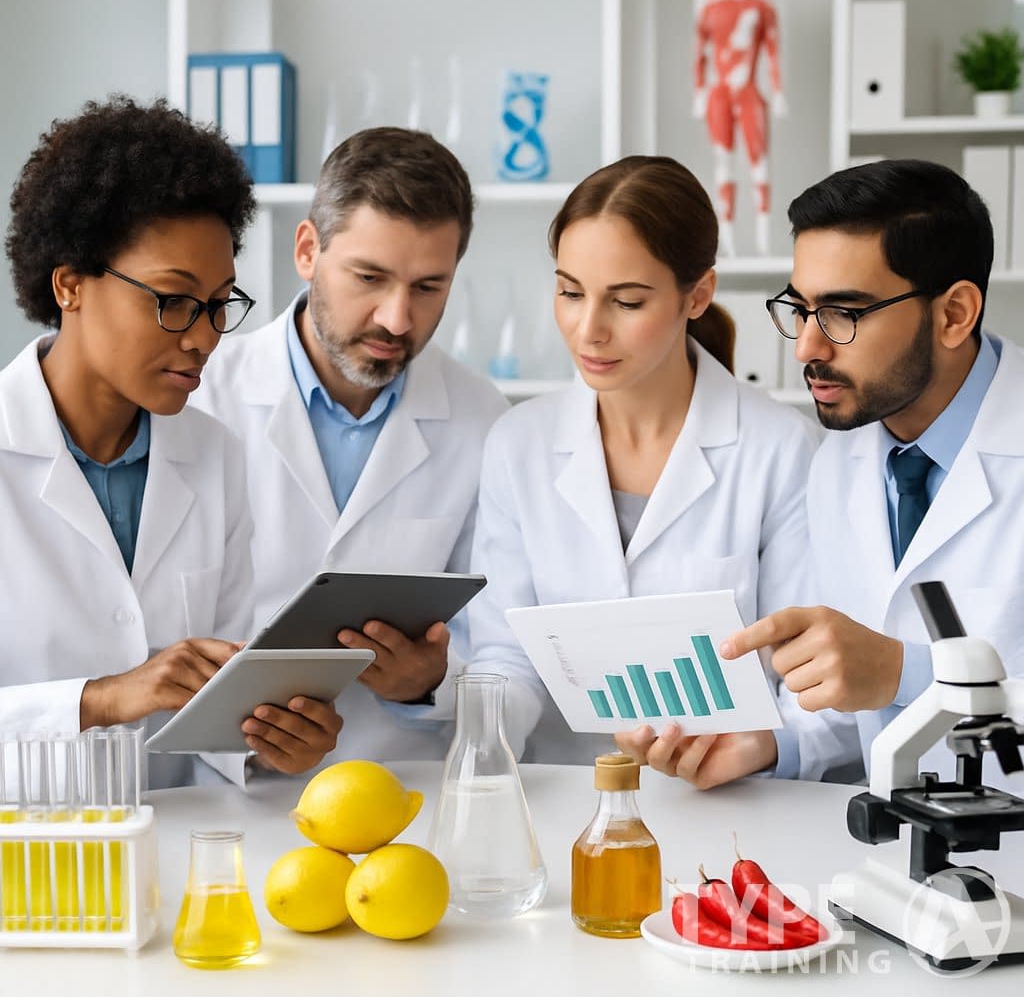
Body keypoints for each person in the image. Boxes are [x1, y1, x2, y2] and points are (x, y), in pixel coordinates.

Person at [631, 158, 1024, 789]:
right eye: (801, 308)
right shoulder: (839, 458)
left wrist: (904, 672)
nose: (806, 348)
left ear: (954, 314)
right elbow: (853, 694)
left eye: (844, 313)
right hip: (898, 849)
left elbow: (885, 673)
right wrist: (769, 744)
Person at [0, 96, 342, 787]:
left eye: (219, 303)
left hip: (175, 852)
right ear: (69, 285)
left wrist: (270, 742)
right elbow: (130, 694)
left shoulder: (213, 455)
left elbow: (213, 712)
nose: (205, 336)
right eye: (173, 299)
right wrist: (102, 699)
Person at [467, 155, 819, 765]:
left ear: (697, 295)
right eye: (570, 293)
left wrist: (766, 749)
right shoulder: (517, 444)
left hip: (733, 811)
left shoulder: (782, 450)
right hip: (565, 797)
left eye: (626, 302)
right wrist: (481, 752)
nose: (588, 331)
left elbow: (813, 678)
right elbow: (504, 653)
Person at [192, 127, 508, 762]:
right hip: (230, 790)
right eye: (370, 277)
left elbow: (500, 643)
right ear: (308, 250)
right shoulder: (202, 400)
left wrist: (427, 686)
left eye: (428, 287)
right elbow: (165, 628)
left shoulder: (483, 419)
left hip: (401, 788)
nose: (397, 318)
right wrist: (246, 739)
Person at [692, 0, 787, 257]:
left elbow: (772, 49)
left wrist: (777, 91)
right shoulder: (709, 8)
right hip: (719, 94)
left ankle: (763, 238)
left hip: (748, 92)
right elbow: (700, 52)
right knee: (724, 163)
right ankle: (727, 239)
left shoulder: (761, 7)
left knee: (760, 163)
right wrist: (699, 94)